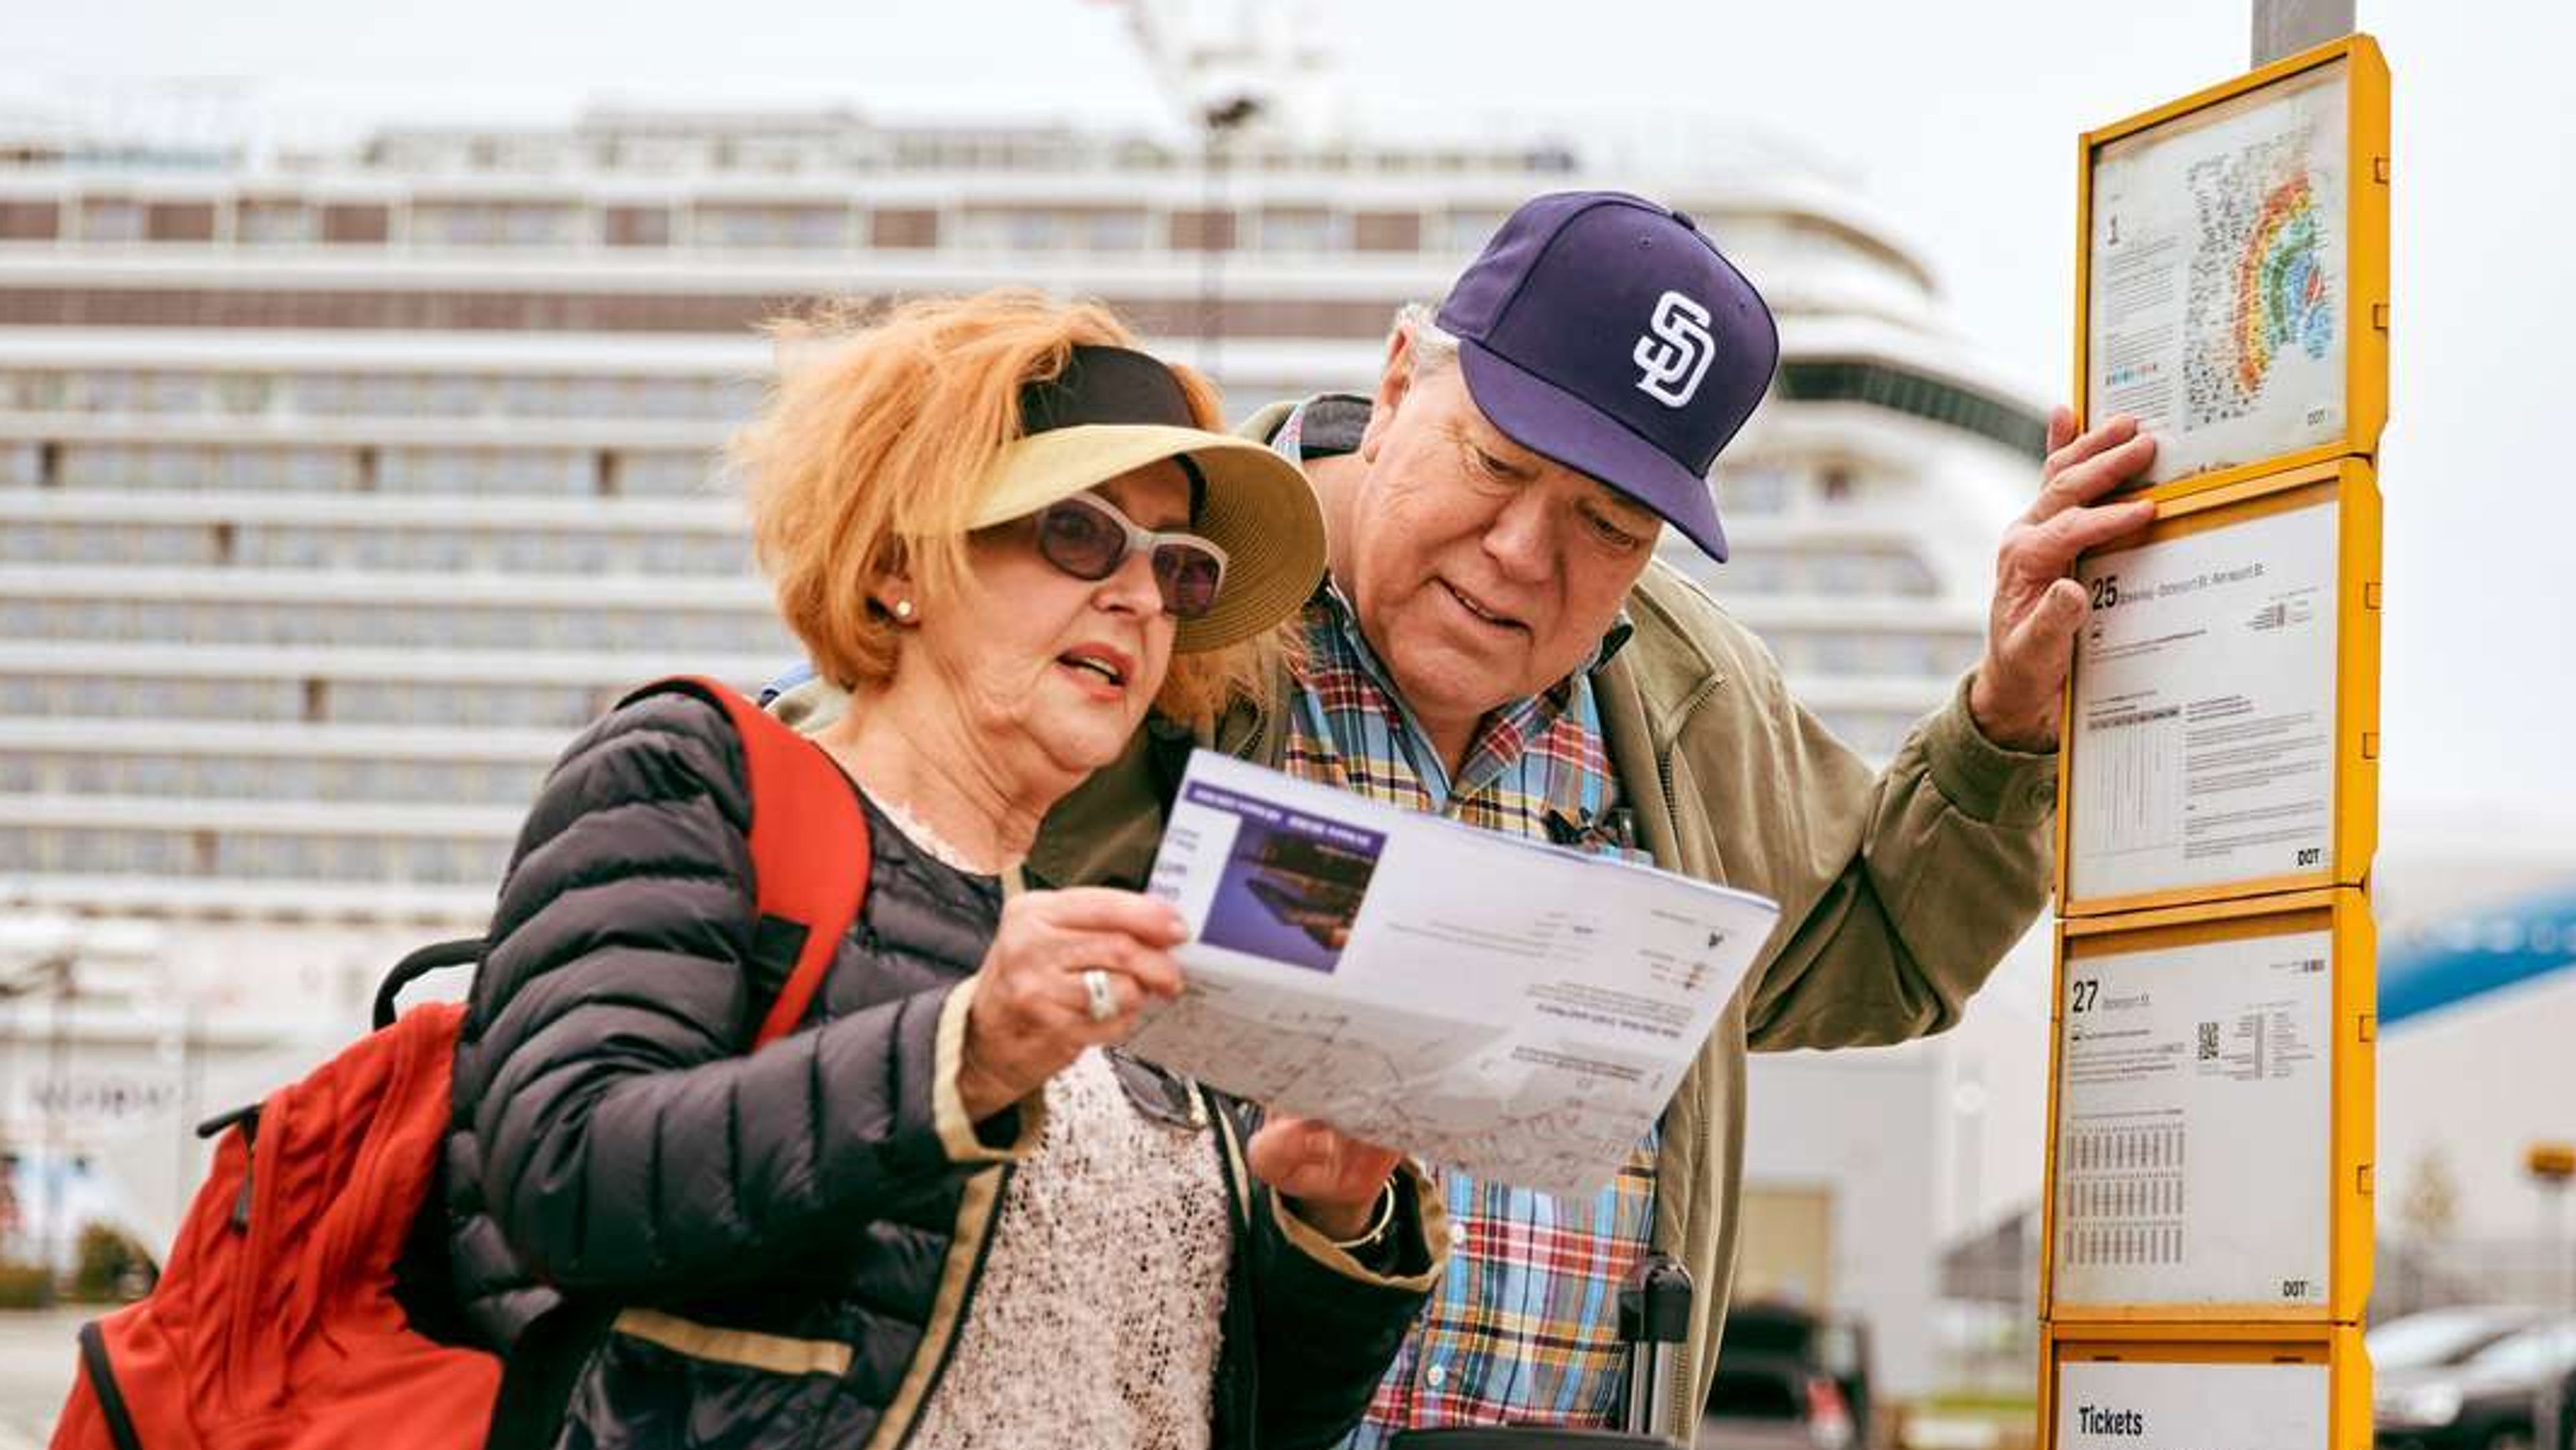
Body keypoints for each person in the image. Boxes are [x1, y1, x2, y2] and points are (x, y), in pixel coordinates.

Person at [777, 192, 2160, 1443]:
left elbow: (1872, 954)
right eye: (1494, 466)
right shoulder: (1165, 595)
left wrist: (2004, 717)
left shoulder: (1689, 687)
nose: (1522, 555)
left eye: (1608, 525)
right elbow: (857, 792)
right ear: (1395, 383)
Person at [441, 291, 1449, 1450]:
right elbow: (562, 1183)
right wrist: (956, 1060)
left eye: (1180, 569)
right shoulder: (694, 778)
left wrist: (1327, 1218)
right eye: (1078, 533)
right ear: (895, 567)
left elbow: (1237, 1416)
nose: (1135, 594)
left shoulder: (1156, 906)